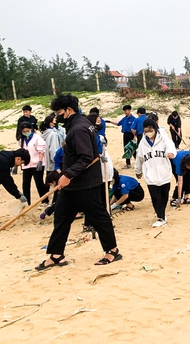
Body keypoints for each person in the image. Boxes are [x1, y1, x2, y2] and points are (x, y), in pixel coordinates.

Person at [37, 94, 121, 270]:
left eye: (59, 112)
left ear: (69, 110)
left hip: (86, 183)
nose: (57, 116)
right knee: (61, 217)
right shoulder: (77, 124)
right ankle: (56, 255)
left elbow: (86, 157)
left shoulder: (79, 129)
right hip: (72, 185)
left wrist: (67, 175)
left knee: (98, 217)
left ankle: (112, 250)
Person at [135, 118, 177, 227]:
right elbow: (139, 158)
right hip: (150, 175)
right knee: (155, 197)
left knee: (164, 196)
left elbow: (170, 146)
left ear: (155, 129)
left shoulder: (163, 138)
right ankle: (160, 217)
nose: (149, 133)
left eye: (151, 130)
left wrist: (171, 153)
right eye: (146, 131)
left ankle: (162, 214)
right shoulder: (142, 143)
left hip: (164, 173)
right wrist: (138, 170)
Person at [18, 122, 48, 205]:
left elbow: (41, 150)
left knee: (39, 182)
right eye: (24, 131)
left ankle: (44, 200)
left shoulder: (37, 138)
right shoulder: (22, 140)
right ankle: (27, 202)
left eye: (28, 130)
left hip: (37, 163)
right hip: (26, 164)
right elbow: (19, 152)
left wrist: (40, 161)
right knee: (25, 183)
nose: (26, 132)